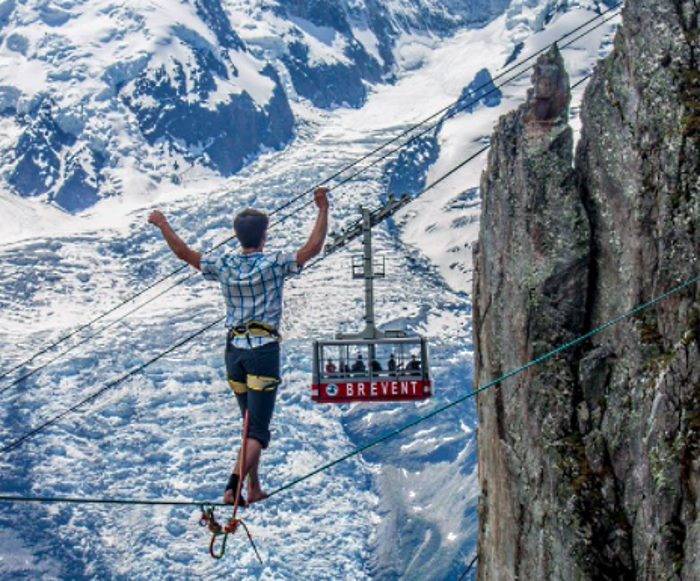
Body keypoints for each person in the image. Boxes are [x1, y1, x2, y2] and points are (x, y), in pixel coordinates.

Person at [148, 187, 329, 506]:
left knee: (249, 424)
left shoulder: (224, 265)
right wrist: (322, 208)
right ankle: (233, 486)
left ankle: (253, 486)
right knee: (258, 432)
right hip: (263, 353)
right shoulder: (274, 264)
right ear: (265, 236)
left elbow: (183, 253)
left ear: (236, 236)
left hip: (234, 355)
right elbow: (313, 247)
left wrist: (163, 224)